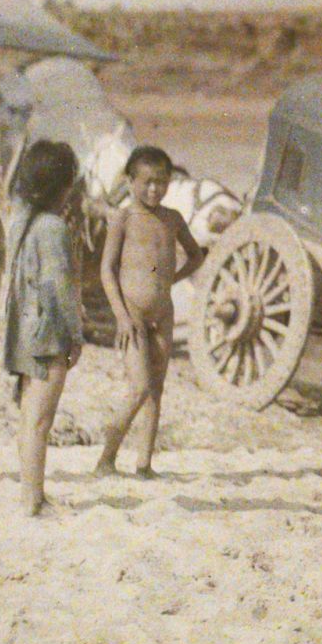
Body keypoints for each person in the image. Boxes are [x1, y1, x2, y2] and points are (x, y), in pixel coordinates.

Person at [96, 144, 204, 477]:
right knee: (139, 386)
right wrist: (122, 317)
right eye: (147, 182)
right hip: (133, 316)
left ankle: (144, 464)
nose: (154, 189)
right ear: (130, 181)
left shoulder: (172, 219)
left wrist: (172, 279)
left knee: (156, 390)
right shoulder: (123, 218)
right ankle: (106, 457)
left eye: (161, 182)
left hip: (163, 314)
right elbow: (107, 271)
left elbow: (196, 255)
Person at [4, 140, 85, 516]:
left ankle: (31, 495)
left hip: (20, 328)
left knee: (28, 417)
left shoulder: (19, 220)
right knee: (40, 420)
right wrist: (76, 334)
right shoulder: (53, 228)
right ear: (65, 186)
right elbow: (61, 287)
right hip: (46, 332)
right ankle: (32, 502)